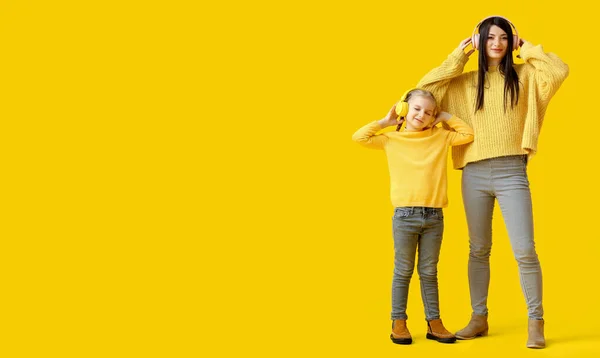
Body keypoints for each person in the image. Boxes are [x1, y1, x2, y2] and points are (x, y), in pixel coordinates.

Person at [416, 15, 569, 348]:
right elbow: (423, 93)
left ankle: (536, 320)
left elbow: (558, 70)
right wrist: (459, 56)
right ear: (479, 42)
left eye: (503, 37)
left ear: (510, 42)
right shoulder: (464, 82)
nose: (496, 43)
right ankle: (479, 317)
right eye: (489, 38)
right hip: (473, 173)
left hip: (512, 171)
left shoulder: (526, 77)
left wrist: (526, 47)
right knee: (479, 249)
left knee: (525, 250)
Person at [352, 88, 474, 345]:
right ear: (404, 109)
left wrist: (445, 116)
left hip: (434, 216)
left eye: (428, 112)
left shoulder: (441, 136)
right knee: (403, 270)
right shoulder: (390, 140)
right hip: (405, 216)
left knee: (429, 271)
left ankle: (434, 322)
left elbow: (468, 134)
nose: (422, 115)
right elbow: (359, 137)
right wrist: (385, 122)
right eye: (417, 109)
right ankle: (399, 322)